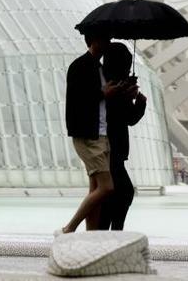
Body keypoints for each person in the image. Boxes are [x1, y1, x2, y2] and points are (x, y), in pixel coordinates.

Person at [58, 34, 123, 234]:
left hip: (101, 133)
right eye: (105, 39)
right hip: (88, 136)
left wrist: (120, 92)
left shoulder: (99, 68)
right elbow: (78, 100)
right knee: (107, 187)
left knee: (95, 189)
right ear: (94, 40)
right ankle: (69, 228)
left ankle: (91, 234)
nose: (108, 43)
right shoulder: (80, 66)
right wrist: (103, 93)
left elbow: (101, 100)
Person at [99, 42, 146, 231]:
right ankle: (112, 234)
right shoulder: (110, 87)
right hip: (110, 147)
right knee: (123, 192)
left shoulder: (107, 83)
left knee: (116, 194)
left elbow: (129, 117)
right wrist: (133, 100)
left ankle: (109, 234)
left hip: (112, 149)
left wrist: (134, 100)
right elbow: (127, 117)